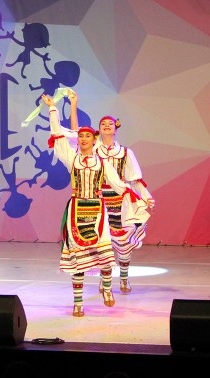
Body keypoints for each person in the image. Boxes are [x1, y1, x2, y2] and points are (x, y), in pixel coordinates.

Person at [43, 92, 132, 317]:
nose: (83, 139)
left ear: (94, 140)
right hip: (76, 209)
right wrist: (52, 109)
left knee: (104, 252)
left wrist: (136, 196)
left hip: (98, 210)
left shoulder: (102, 162)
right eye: (80, 136)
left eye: (87, 136)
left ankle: (107, 289)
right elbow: (57, 135)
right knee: (78, 259)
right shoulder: (72, 158)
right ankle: (78, 303)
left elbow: (118, 183)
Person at [71, 91, 154, 294]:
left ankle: (124, 278)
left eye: (110, 124)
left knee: (123, 243)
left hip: (120, 201)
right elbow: (75, 134)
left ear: (115, 130)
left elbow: (135, 178)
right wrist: (73, 105)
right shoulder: (92, 151)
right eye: (103, 124)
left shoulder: (125, 153)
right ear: (98, 131)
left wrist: (145, 197)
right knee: (102, 242)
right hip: (98, 201)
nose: (107, 125)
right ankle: (104, 279)